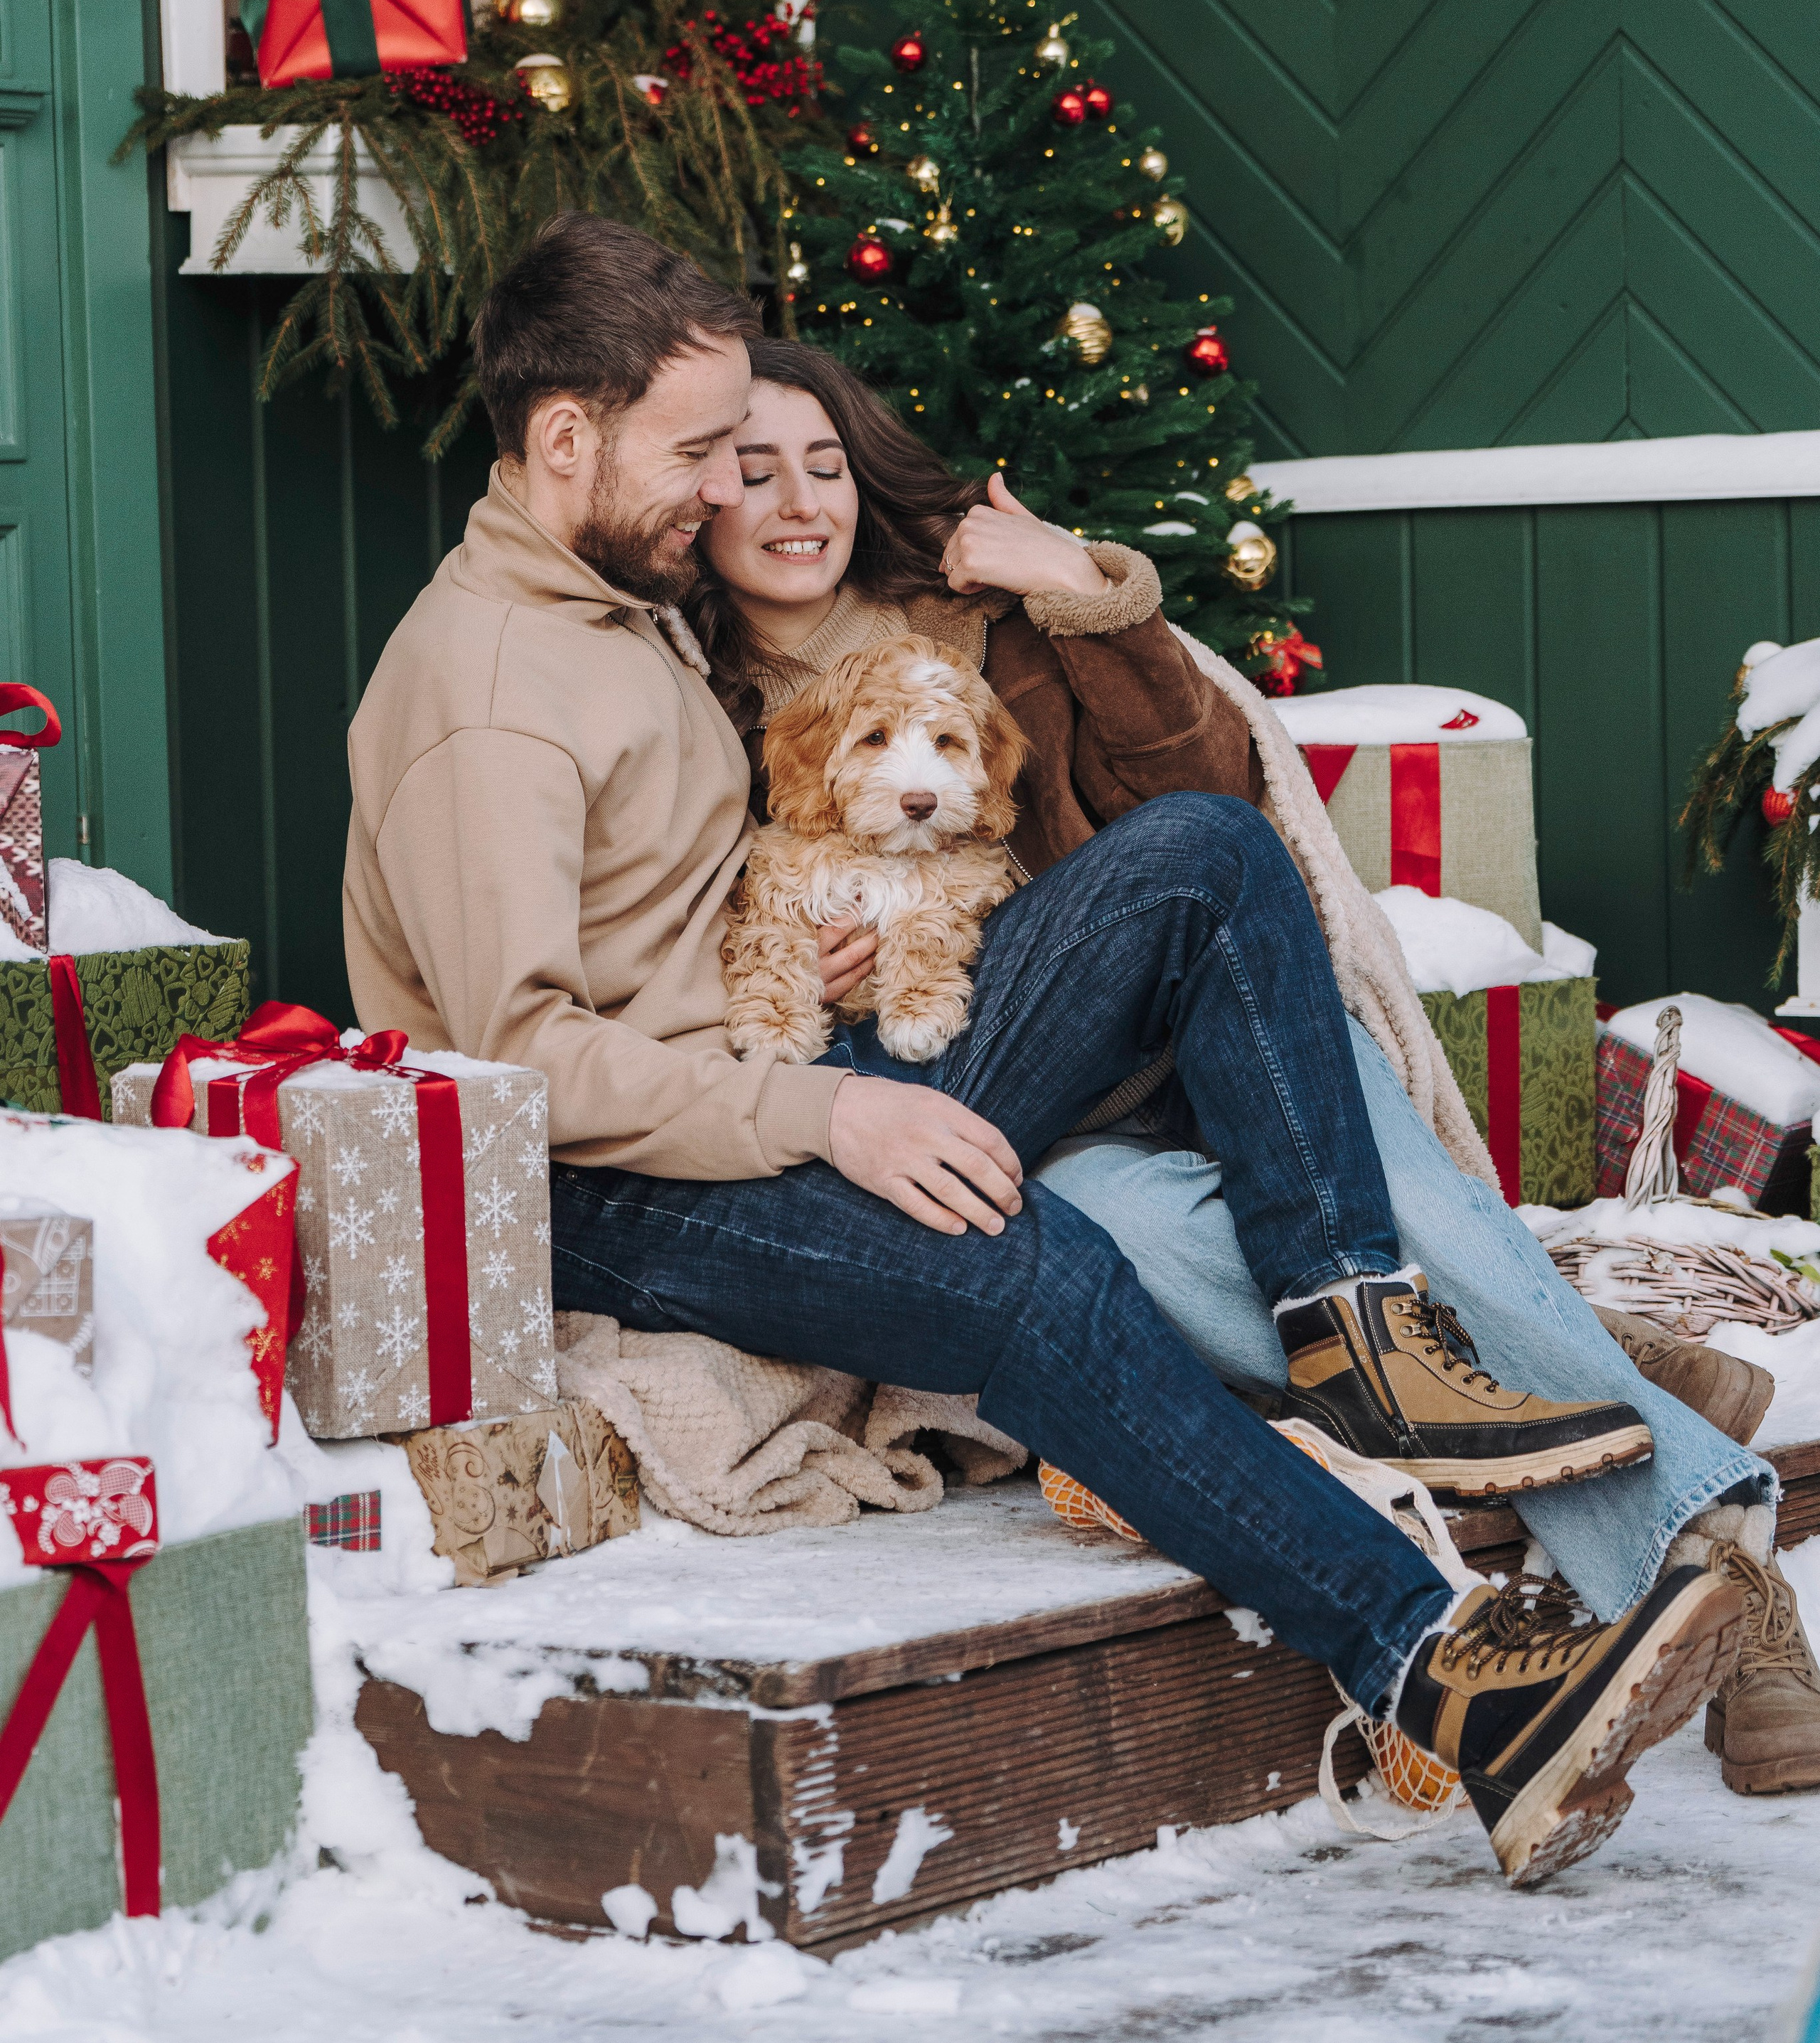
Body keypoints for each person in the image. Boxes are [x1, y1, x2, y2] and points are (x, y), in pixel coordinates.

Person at [344, 213, 1747, 1882]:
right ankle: (1441, 1678)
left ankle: (1350, 1321)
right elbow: (514, 1066)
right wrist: (829, 1102)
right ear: (563, 437)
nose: (730, 487)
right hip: (632, 1174)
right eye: (702, 451)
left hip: (796, 1064)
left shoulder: (621, 581)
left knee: (1202, 866)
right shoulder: (492, 689)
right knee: (1037, 1272)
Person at [691, 334, 1812, 1797]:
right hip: (1032, 1125)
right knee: (1169, 1252)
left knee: (1402, 1219)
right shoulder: (686, 693)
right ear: (695, 496)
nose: (797, 500)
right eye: (752, 470)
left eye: (825, 465)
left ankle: (1709, 1572)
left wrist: (1083, 589)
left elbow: (1208, 805)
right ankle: (1609, 1409)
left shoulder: (976, 619)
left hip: (1230, 1018)